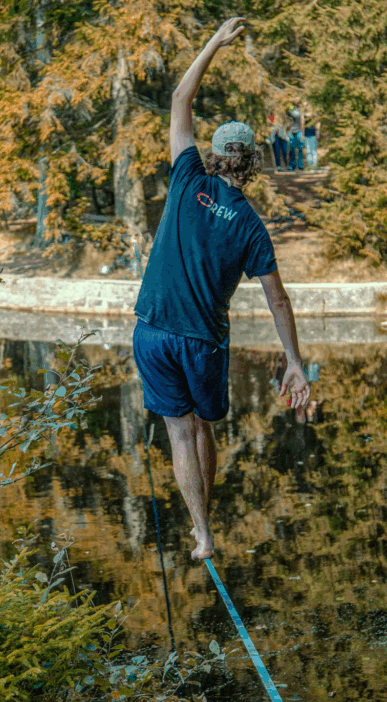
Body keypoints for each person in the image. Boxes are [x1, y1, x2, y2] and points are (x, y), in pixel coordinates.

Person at [132, 17, 311, 561]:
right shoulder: (253, 225)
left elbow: (180, 96)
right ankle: (204, 529)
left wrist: (213, 42)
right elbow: (277, 300)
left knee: (179, 434)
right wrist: (294, 362)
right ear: (251, 163)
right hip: (202, 342)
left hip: (152, 330)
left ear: (214, 154)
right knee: (204, 426)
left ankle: (201, 533)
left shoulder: (187, 175)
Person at [287, 104, 305, 171]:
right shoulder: (290, 107)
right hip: (291, 132)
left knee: (300, 149)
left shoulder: (300, 109)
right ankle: (292, 165)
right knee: (292, 150)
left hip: (298, 132)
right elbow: (288, 114)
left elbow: (302, 122)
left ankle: (300, 165)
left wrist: (302, 134)